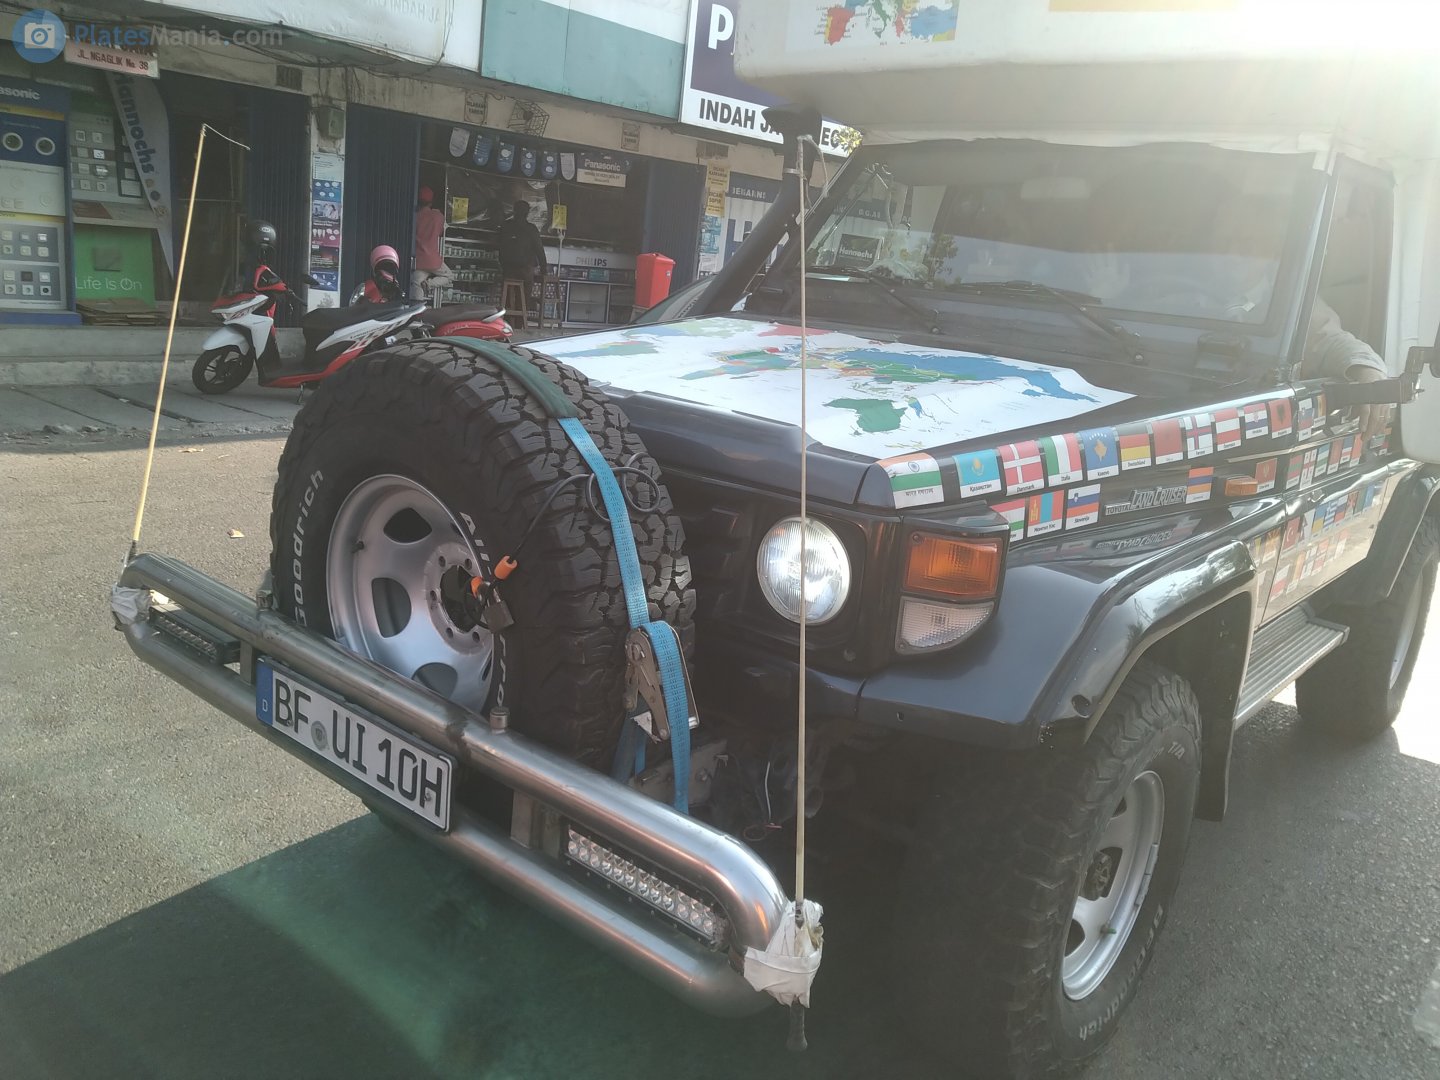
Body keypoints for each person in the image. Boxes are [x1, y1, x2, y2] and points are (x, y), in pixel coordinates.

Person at [496, 199, 547, 325]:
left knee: (508, 292)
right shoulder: (531, 229)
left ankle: (508, 320)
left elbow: (499, 247)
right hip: (525, 270)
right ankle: (521, 321)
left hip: (508, 270)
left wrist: (503, 265)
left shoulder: (505, 226)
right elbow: (539, 250)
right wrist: (544, 269)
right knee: (525, 293)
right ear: (528, 213)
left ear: (514, 211)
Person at [410, 185, 451, 301]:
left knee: (415, 282)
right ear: (431, 202)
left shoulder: (414, 217)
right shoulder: (438, 216)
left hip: (419, 261)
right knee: (448, 275)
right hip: (433, 261)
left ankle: (417, 313)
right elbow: (441, 232)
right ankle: (429, 284)